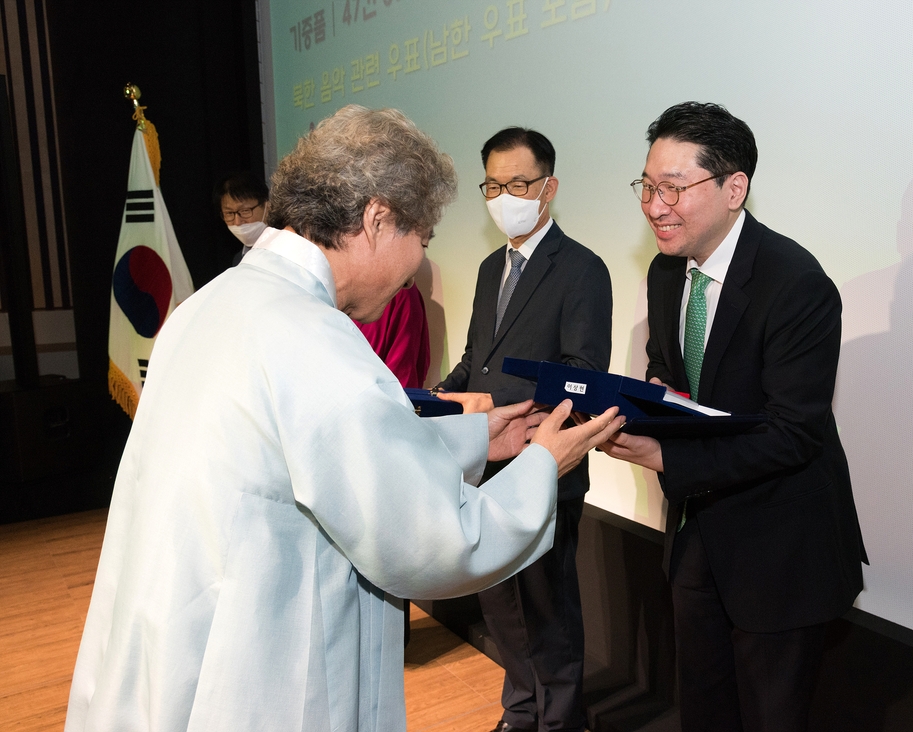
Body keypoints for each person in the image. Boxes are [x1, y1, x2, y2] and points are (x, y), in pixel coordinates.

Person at [64, 106, 624, 732]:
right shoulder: (315, 339)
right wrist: (545, 462)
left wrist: (473, 437)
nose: (417, 264)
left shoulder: (210, 306)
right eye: (424, 241)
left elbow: (311, 456)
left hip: (177, 635)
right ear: (377, 218)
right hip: (265, 672)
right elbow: (432, 539)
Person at [600, 102, 866, 732]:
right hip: (697, 536)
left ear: (733, 188)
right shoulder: (668, 274)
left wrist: (668, 455)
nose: (654, 205)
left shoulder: (794, 282)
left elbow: (793, 433)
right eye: (647, 185)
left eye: (673, 188)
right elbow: (669, 370)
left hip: (780, 551)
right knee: (705, 708)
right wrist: (645, 404)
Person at [436, 127, 613, 732]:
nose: (503, 196)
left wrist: (489, 403)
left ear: (549, 187)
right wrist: (437, 398)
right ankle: (521, 712)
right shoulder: (491, 268)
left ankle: (561, 720)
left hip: (544, 462)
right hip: (486, 463)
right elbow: (474, 360)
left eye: (518, 183)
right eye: (492, 184)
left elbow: (581, 374)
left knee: (547, 608)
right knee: (500, 605)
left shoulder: (583, 269)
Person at [213, 170, 269, 266]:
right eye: (229, 213)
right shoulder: (238, 260)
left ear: (267, 207)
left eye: (245, 211)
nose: (237, 222)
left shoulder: (289, 249)